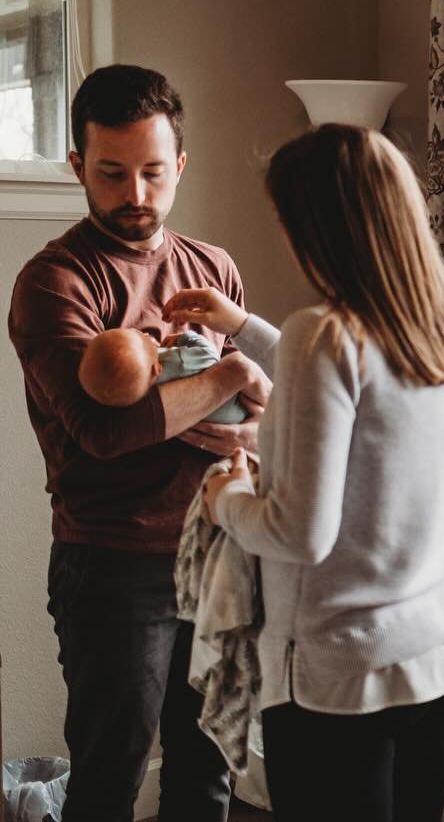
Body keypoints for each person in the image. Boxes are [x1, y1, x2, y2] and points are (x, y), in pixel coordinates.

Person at [162, 124, 444, 822]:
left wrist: (225, 496)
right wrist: (243, 323)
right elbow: (354, 399)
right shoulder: (438, 329)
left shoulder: (323, 333)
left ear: (319, 226)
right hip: (442, 643)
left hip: (345, 672)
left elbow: (299, 532)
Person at [8, 64, 269, 822]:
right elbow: (102, 433)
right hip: (115, 565)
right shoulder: (55, 282)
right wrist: (225, 380)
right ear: (78, 166)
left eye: (154, 172)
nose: (136, 195)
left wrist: (221, 407)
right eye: (113, 173)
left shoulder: (212, 270)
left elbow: (258, 427)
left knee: (207, 767)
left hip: (219, 552)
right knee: (110, 772)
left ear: (179, 165)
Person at [79, 327, 248, 423]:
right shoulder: (177, 363)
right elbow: (210, 356)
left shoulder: (137, 394)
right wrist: (186, 337)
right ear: (157, 369)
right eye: (143, 338)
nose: (145, 334)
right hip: (240, 409)